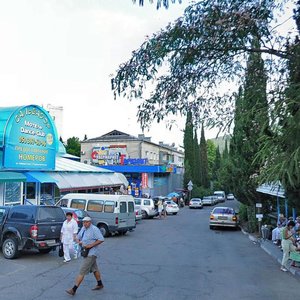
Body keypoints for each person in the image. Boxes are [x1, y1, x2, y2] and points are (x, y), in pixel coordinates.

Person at [66, 216, 105, 295]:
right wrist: (77, 240)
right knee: (94, 269)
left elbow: (101, 239)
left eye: (86, 222)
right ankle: (100, 284)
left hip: (92, 253)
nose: (85, 223)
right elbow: (78, 237)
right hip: (85, 252)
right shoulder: (84, 228)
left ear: (90, 222)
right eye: (84, 222)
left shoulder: (94, 229)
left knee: (82, 271)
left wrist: (90, 245)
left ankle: (74, 289)